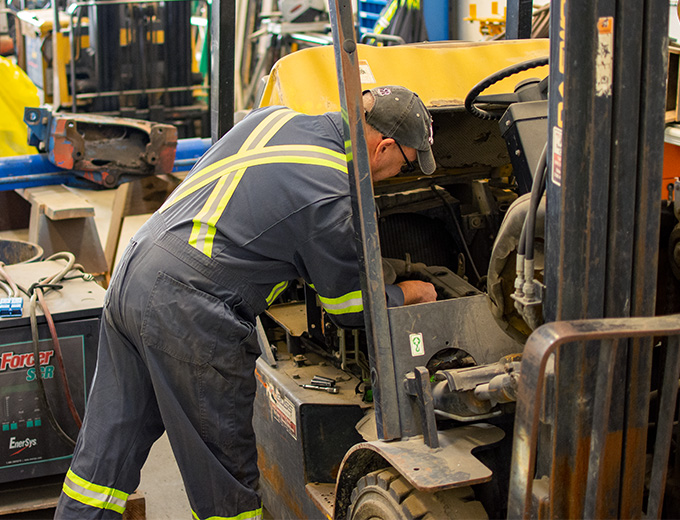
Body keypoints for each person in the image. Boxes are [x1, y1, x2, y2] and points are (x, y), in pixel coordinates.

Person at [55, 85, 438, 519]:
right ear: (384, 145)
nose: (399, 174)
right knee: (225, 484)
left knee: (104, 455)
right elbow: (351, 308)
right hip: (189, 313)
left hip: (133, 275)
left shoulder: (274, 118)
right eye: (405, 164)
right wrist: (410, 291)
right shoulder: (329, 191)